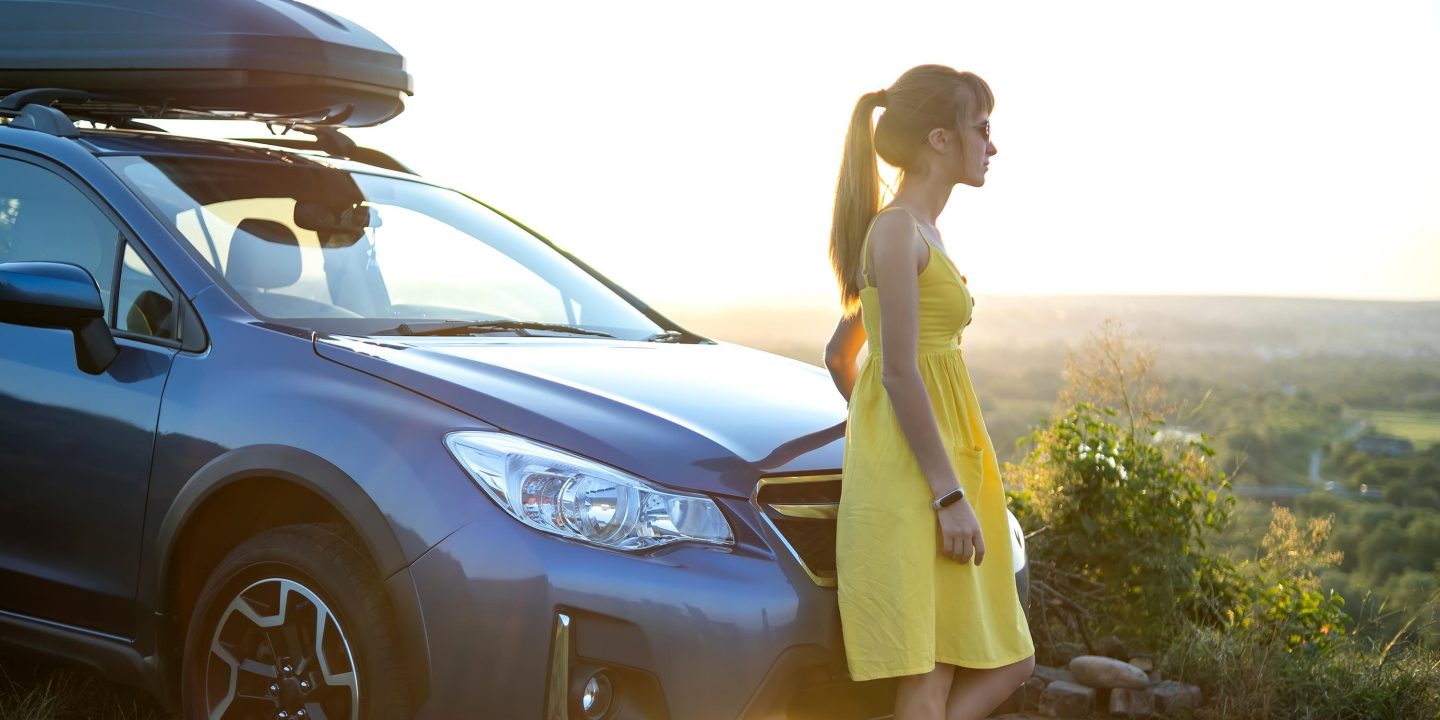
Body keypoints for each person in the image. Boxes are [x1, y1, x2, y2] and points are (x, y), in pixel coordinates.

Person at [824, 64, 1036, 720]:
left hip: (933, 467)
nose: (992, 146)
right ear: (940, 140)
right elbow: (894, 370)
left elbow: (841, 355)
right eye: (982, 129)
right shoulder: (895, 232)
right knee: (928, 673)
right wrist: (941, 491)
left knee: (1006, 659)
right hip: (923, 482)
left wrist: (885, 433)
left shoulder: (917, 233)